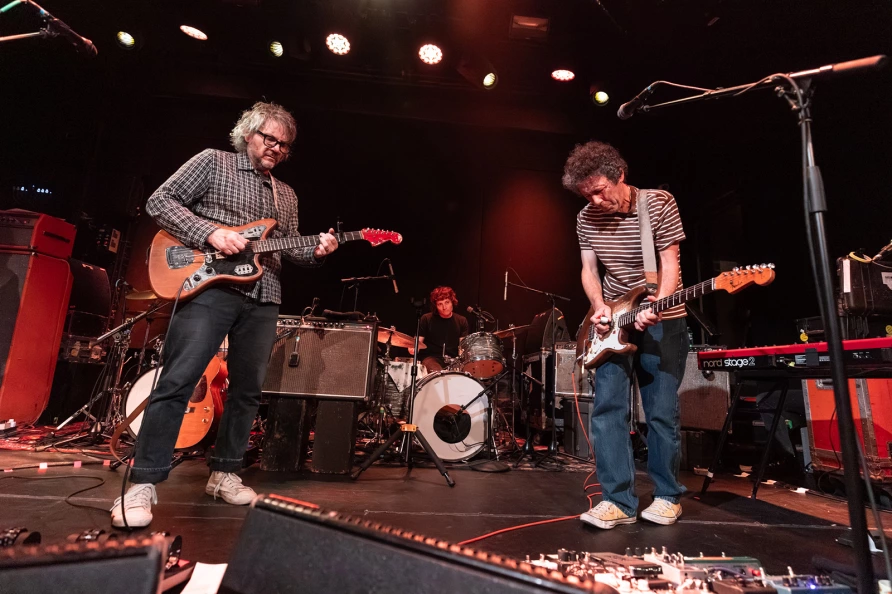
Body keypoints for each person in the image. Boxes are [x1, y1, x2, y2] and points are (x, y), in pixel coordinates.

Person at [110, 101, 339, 528]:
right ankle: (142, 484)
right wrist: (210, 232)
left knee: (248, 391)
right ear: (247, 134)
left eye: (284, 145)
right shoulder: (213, 163)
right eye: (269, 138)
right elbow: (161, 201)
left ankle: (226, 472)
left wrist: (319, 250)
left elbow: (289, 247)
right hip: (208, 288)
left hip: (264, 294)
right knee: (177, 381)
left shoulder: (285, 194)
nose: (276, 148)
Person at [563, 141, 688, 529]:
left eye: (601, 190)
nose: (596, 200)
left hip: (662, 316)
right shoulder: (585, 218)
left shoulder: (658, 203)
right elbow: (589, 269)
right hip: (614, 320)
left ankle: (668, 495)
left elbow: (671, 264)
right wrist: (599, 307)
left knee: (661, 413)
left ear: (621, 175)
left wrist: (659, 305)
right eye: (587, 195)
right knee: (607, 410)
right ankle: (618, 500)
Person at [410, 286, 469, 372]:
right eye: (440, 304)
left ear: (452, 302)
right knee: (437, 372)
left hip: (453, 360)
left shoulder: (462, 320)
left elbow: (462, 348)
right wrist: (413, 348)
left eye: (447, 302)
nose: (444, 307)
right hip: (431, 358)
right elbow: (417, 342)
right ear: (436, 306)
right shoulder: (426, 318)